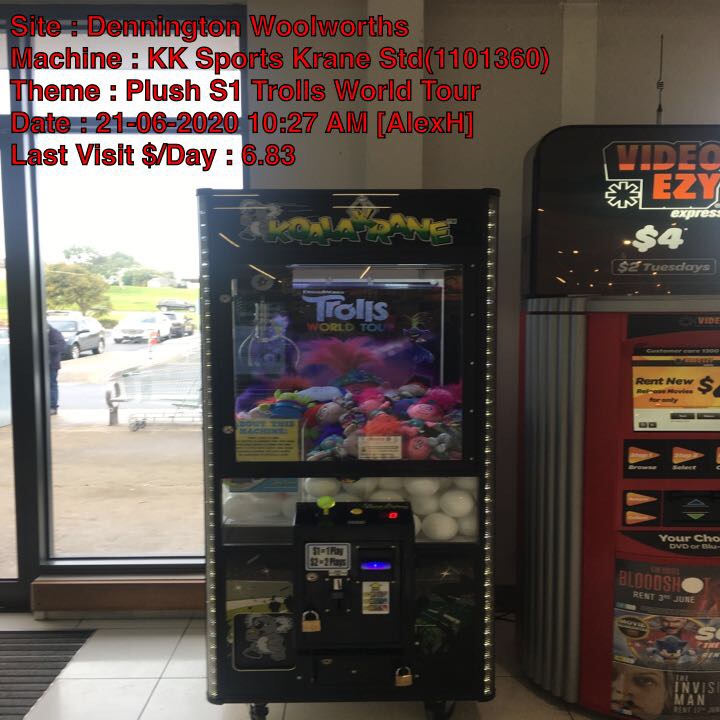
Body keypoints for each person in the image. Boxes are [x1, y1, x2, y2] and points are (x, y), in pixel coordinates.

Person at [48, 324, 65, 415]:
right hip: (43, 364)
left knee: (52, 385)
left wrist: (45, 347)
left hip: (52, 365)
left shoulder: (54, 332)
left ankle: (53, 407)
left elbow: (60, 347)